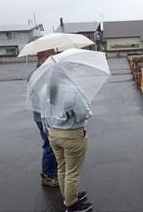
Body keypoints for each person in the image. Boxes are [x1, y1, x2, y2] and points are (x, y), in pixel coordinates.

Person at [45, 84, 93, 212]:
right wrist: (88, 108)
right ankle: (72, 205)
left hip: (53, 133)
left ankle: (67, 196)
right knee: (72, 172)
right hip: (71, 134)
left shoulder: (46, 89)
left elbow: (43, 114)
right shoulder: (72, 90)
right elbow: (82, 114)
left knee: (62, 167)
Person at [28, 49, 58, 187]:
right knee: (50, 145)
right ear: (41, 57)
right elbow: (45, 95)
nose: (52, 57)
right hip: (42, 116)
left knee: (54, 144)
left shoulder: (45, 71)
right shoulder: (37, 74)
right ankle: (48, 175)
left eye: (53, 54)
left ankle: (53, 171)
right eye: (49, 55)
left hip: (48, 115)